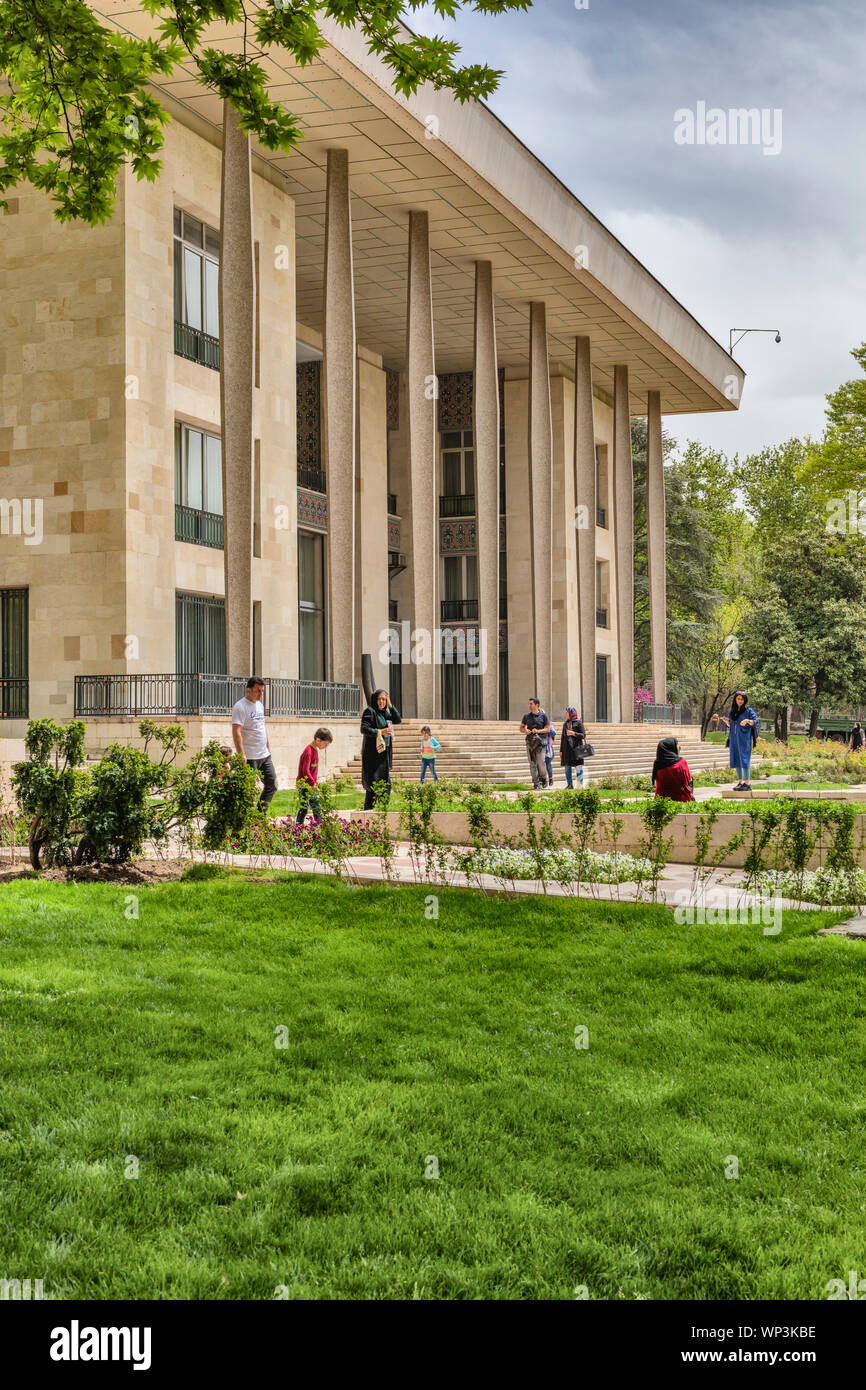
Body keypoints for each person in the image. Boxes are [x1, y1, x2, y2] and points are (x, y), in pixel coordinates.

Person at [231, 677, 277, 813]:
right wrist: (241, 754)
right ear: (248, 690)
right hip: (250, 757)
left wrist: (268, 746)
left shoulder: (260, 705)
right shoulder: (240, 707)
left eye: (262, 691)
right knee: (247, 790)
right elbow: (236, 731)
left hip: (264, 754)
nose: (261, 694)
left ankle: (259, 815)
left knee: (272, 785)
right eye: (258, 691)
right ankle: (241, 818)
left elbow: (262, 727)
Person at [360, 689, 402, 810]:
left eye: (384, 699)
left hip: (383, 755)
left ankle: (381, 812)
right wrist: (380, 731)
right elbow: (364, 729)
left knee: (385, 785)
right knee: (373, 787)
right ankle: (369, 814)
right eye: (379, 699)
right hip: (373, 755)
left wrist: (390, 705)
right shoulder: (370, 711)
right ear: (375, 699)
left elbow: (398, 719)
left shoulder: (385, 713)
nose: (381, 702)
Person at [720, 690, 760, 791]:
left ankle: (747, 783)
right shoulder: (732, 711)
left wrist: (747, 720)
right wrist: (726, 722)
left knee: (744, 760)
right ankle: (740, 782)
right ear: (735, 699)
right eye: (738, 699)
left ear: (744, 700)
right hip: (734, 739)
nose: (740, 701)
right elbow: (731, 725)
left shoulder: (748, 710)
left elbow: (755, 721)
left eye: (742, 699)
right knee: (737, 759)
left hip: (744, 739)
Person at [296, 728, 333, 826]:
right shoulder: (308, 751)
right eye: (325, 744)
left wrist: (314, 783)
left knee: (316, 805)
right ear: (318, 740)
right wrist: (312, 784)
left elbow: (313, 770)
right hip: (304, 784)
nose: (325, 747)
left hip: (311, 784)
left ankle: (320, 825)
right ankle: (298, 826)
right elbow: (305, 771)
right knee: (304, 807)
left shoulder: (315, 750)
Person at [520, 697, 551, 789]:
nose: (529, 705)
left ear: (536, 705)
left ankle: (544, 778)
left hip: (541, 743)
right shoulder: (526, 716)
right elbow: (521, 728)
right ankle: (536, 783)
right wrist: (525, 730)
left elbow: (548, 729)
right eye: (529, 704)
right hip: (530, 742)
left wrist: (538, 731)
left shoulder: (543, 716)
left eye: (531, 704)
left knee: (541, 762)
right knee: (532, 764)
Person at [652, 736, 694, 802]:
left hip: (660, 801)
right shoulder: (681, 763)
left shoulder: (657, 764)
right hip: (679, 800)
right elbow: (688, 780)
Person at [560, 706, 586, 789]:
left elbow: (583, 735)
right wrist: (561, 750)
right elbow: (562, 738)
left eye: (567, 712)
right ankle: (570, 785)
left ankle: (580, 785)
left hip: (577, 749)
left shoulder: (578, 723)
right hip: (567, 750)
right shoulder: (565, 724)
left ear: (571, 713)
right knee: (567, 768)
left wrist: (573, 733)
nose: (566, 714)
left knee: (578, 767)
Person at [544, 719, 557, 787]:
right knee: (540, 765)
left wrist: (546, 729)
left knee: (547, 763)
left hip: (548, 748)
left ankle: (550, 778)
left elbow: (553, 733)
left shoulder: (549, 724)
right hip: (540, 747)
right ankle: (543, 781)